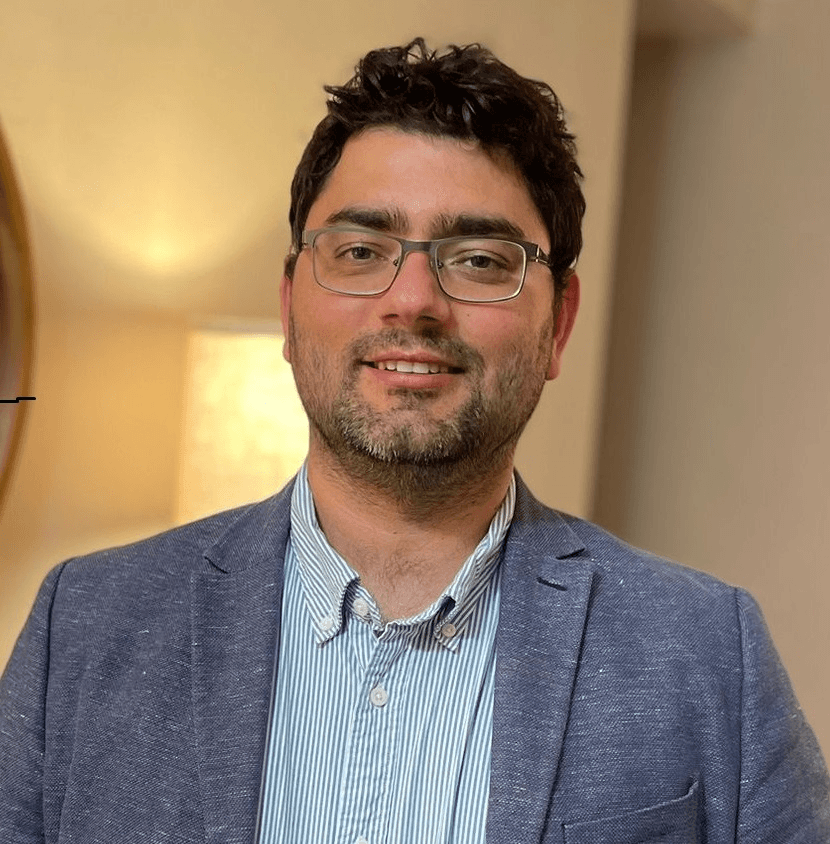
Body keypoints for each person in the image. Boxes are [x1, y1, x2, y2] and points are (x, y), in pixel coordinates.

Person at [1, 38, 828, 844]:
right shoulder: (85, 626)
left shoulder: (707, 652)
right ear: (289, 307)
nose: (413, 301)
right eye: (361, 251)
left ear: (559, 324)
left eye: (479, 260)